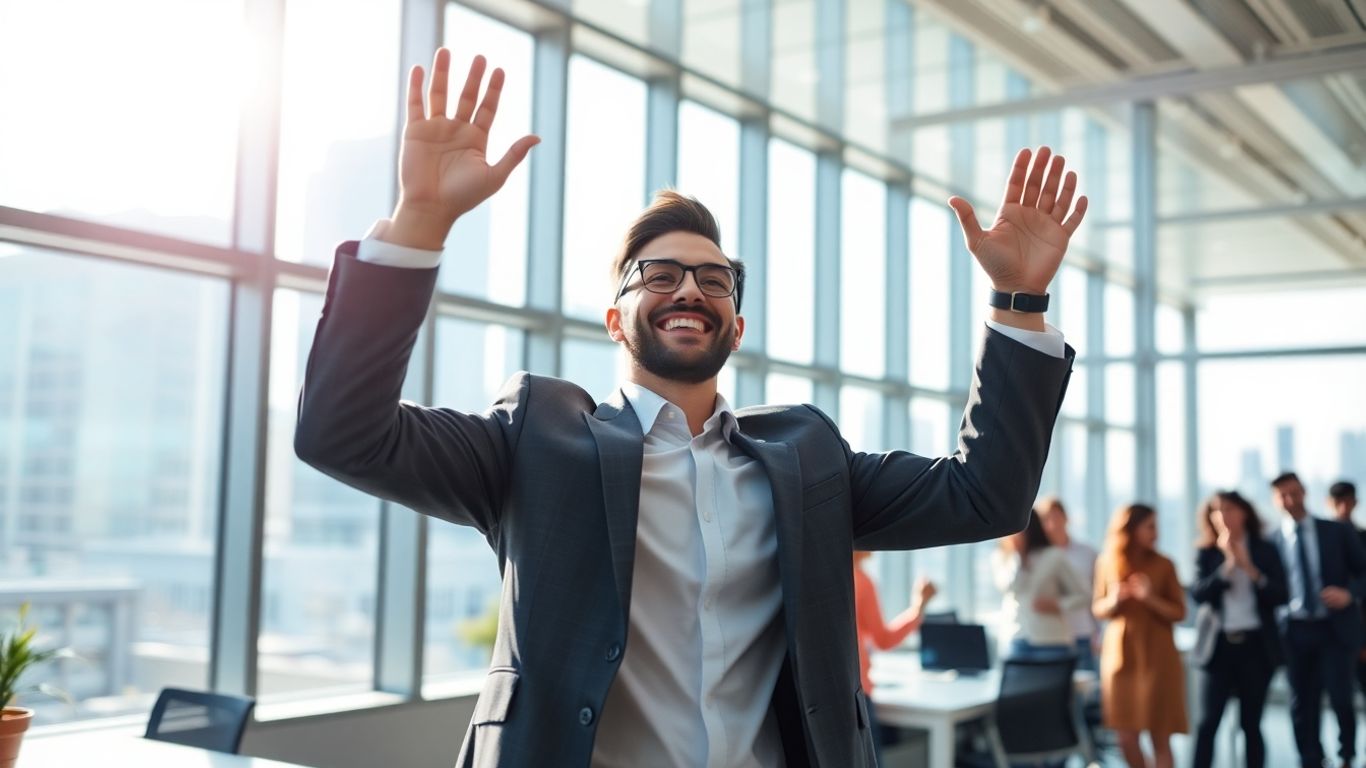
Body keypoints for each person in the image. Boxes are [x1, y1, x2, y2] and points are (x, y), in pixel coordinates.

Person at [294, 48, 1086, 767]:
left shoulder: (807, 456)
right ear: (616, 318)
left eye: (714, 281)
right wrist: (420, 224)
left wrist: (1018, 304)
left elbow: (986, 494)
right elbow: (343, 432)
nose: (688, 290)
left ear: (736, 327)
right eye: (658, 274)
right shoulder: (535, 440)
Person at [1268, 472, 1366, 768]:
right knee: (1301, 701)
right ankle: (1310, 758)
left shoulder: (1335, 531)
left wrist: (1349, 594)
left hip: (1334, 627)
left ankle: (1347, 755)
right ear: (1275, 500)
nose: (1290, 500)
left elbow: (1363, 572)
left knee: (1340, 696)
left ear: (1305, 492)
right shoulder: (1271, 541)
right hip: (1295, 629)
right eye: (1283, 495)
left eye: (1294, 493)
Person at [1189, 491, 1288, 768]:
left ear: (1244, 512)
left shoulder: (1265, 549)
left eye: (1229, 508)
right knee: (1207, 723)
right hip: (1216, 647)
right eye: (1216, 510)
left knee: (1251, 723)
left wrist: (1250, 568)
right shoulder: (1206, 552)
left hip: (1255, 647)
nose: (1223, 516)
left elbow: (1281, 594)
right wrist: (1228, 567)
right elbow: (1198, 595)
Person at [1092, 503, 1186, 768]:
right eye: (1150, 527)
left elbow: (1180, 612)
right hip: (1120, 658)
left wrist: (1150, 598)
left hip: (1158, 657)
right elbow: (1097, 608)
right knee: (1124, 735)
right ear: (1131, 529)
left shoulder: (1164, 565)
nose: (1156, 533)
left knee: (1160, 735)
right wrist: (1113, 600)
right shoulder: (1107, 563)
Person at [852, 553, 936, 764]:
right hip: (857, 689)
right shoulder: (860, 580)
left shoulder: (821, 576)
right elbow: (883, 640)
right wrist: (919, 607)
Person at [992, 509, 1089, 660]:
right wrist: (1018, 556)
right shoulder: (1003, 558)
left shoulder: (1053, 556)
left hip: (1050, 639)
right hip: (1017, 636)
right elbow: (1010, 586)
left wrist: (1058, 604)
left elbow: (1084, 595)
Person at [1036, 495, 1099, 670]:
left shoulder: (1087, 553)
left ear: (1066, 517)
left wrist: (1099, 633)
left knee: (1084, 692)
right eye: (1046, 519)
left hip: (1081, 633)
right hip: (1049, 636)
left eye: (1056, 516)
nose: (1052, 523)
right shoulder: (1036, 557)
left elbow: (1096, 595)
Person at [1326, 480, 1366, 701]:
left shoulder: (1363, 537)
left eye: (1347, 502)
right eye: (1337, 502)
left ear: (1355, 503)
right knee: (1337, 696)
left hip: (1360, 627)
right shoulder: (1319, 539)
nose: (1342, 508)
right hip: (1330, 632)